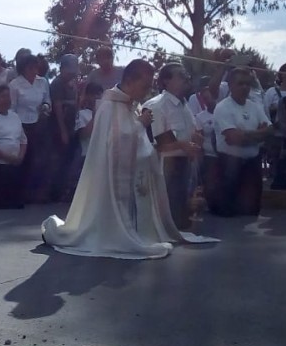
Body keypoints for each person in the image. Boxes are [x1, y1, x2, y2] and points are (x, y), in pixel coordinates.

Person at [42, 60, 217, 259]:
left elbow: (135, 140)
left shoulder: (130, 104)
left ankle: (136, 230)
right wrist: (140, 125)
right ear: (131, 81)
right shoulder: (109, 105)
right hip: (110, 179)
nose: (147, 91)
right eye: (144, 86)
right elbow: (115, 144)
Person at [143, 63, 202, 230]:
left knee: (183, 219)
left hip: (186, 165)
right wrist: (183, 144)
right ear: (166, 81)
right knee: (167, 218)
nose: (187, 78)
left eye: (186, 75)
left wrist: (196, 139)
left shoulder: (185, 106)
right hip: (166, 167)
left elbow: (190, 133)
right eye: (181, 75)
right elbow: (156, 143)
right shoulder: (157, 105)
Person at [211, 67, 271, 216]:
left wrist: (244, 136)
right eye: (240, 83)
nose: (245, 87)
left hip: (252, 167)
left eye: (247, 84)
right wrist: (258, 134)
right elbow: (232, 138)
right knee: (228, 213)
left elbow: (269, 132)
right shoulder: (222, 107)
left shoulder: (255, 107)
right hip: (230, 166)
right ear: (230, 85)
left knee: (251, 212)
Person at [8, 54, 51, 202]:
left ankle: (36, 193)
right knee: (23, 159)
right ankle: (19, 193)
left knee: (39, 159)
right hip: (21, 125)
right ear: (23, 68)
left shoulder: (43, 82)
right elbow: (11, 108)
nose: (34, 70)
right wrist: (16, 128)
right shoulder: (14, 84)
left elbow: (47, 100)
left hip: (39, 123)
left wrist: (45, 107)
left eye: (36, 67)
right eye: (31, 67)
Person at [49, 54, 80, 200]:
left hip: (71, 125)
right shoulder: (57, 83)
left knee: (68, 158)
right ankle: (55, 192)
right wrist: (63, 131)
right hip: (59, 127)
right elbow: (58, 107)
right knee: (58, 159)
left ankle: (64, 189)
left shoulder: (73, 83)